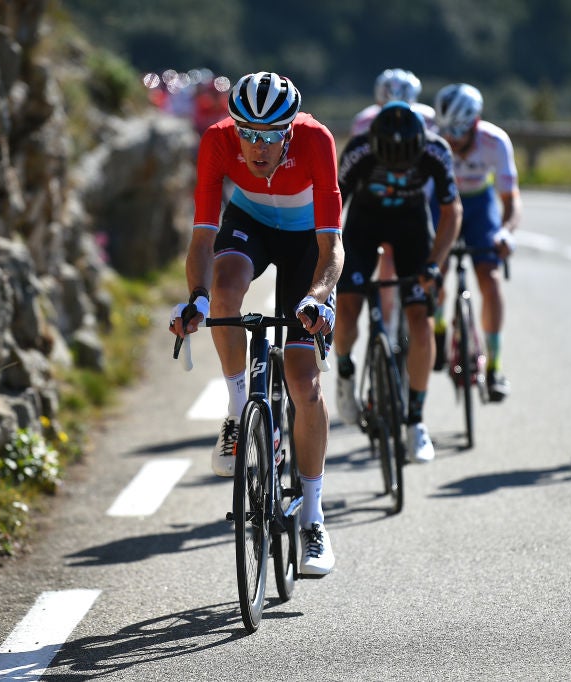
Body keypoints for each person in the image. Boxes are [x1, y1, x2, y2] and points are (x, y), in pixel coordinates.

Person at [169, 71, 343, 576]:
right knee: (225, 290)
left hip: (308, 241)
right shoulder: (217, 140)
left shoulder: (316, 140)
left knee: (304, 384)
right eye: (248, 133)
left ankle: (312, 519)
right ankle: (236, 411)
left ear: (289, 130)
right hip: (250, 224)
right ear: (234, 127)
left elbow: (332, 246)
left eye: (270, 135)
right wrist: (197, 299)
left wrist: (316, 298)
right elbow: (203, 237)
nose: (258, 146)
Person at [334, 102, 461, 463]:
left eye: (405, 164)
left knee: (420, 323)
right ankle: (345, 373)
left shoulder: (436, 151)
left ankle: (416, 421)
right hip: (363, 226)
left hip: (412, 229)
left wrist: (435, 264)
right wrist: (328, 254)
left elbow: (452, 212)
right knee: (347, 308)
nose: (399, 170)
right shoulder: (358, 150)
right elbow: (333, 206)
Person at [433, 83, 521, 402]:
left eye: (458, 130)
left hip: (479, 205)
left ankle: (494, 367)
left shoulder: (495, 142)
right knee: (434, 271)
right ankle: (439, 329)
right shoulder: (433, 139)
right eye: (446, 130)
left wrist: (506, 232)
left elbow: (511, 201)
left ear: (475, 123)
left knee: (490, 279)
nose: (452, 138)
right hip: (442, 204)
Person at [351, 69, 439, 343]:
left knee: (429, 264)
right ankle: (387, 325)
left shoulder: (428, 120)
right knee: (385, 262)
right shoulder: (364, 121)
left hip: (414, 203)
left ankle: (430, 321)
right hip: (372, 207)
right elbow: (358, 167)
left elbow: (429, 171)